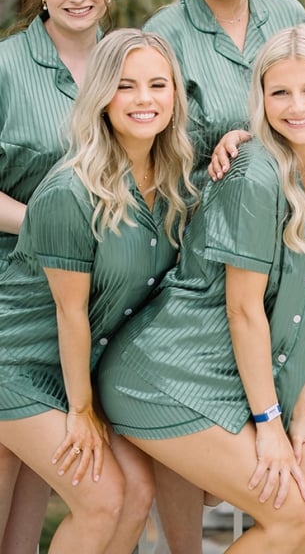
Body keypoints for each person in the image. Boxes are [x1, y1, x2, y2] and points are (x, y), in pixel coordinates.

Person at [98, 25, 305, 554]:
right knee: (292, 513)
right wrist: (269, 425)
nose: (297, 107)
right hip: (166, 375)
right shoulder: (253, 175)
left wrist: (301, 414)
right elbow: (243, 311)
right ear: (260, 99)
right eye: (279, 92)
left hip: (230, 377)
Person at [144, 0, 305, 550]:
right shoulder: (164, 31)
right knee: (188, 422)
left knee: (277, 434)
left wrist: (261, 136)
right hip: (197, 254)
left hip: (288, 247)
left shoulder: (289, 16)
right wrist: (219, 145)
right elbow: (149, 144)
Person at [0, 28, 194, 554]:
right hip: (19, 363)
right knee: (103, 498)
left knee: (137, 495)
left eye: (158, 84)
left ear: (176, 94)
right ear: (103, 95)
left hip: (82, 365)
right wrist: (82, 411)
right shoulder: (70, 189)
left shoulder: (174, 179)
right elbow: (70, 312)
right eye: (126, 86)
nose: (144, 99)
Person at [0, 0, 118, 553]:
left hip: (91, 319)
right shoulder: (6, 67)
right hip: (14, 309)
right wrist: (51, 226)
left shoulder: (128, 64)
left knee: (30, 502)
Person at [145, 0, 305, 190]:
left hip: (292, 219)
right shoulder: (161, 35)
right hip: (200, 224)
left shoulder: (290, 17)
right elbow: (144, 160)